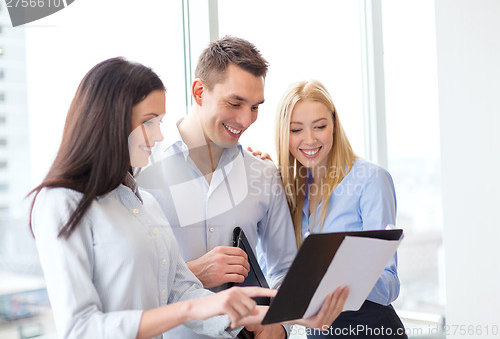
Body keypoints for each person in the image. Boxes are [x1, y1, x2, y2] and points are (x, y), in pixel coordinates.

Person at [28, 57, 281, 339]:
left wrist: (258, 320)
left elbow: (179, 290)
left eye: (160, 122)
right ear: (111, 119)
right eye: (149, 122)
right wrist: (186, 312)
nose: (159, 135)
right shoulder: (62, 203)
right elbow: (80, 328)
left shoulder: (145, 203)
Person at [136, 36, 349, 339]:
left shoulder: (263, 174)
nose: (246, 119)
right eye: (235, 103)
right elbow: (124, 279)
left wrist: (280, 327)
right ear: (199, 92)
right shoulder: (142, 170)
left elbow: (284, 268)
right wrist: (194, 272)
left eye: (254, 107)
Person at [274, 80, 407, 338]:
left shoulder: (370, 180)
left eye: (320, 126)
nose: (309, 139)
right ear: (284, 134)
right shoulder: (287, 189)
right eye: (296, 129)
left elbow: (390, 285)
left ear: (334, 124)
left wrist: (341, 274)